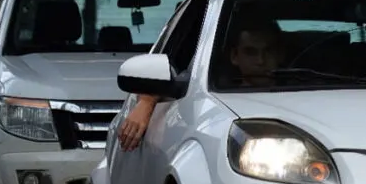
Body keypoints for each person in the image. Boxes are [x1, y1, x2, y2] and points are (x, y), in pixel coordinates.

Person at [117, 18, 284, 151]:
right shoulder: (212, 96)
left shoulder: (302, 88)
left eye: (268, 51)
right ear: (234, 56)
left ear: (280, 54)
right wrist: (147, 101)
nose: (261, 61)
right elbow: (171, 77)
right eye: (251, 52)